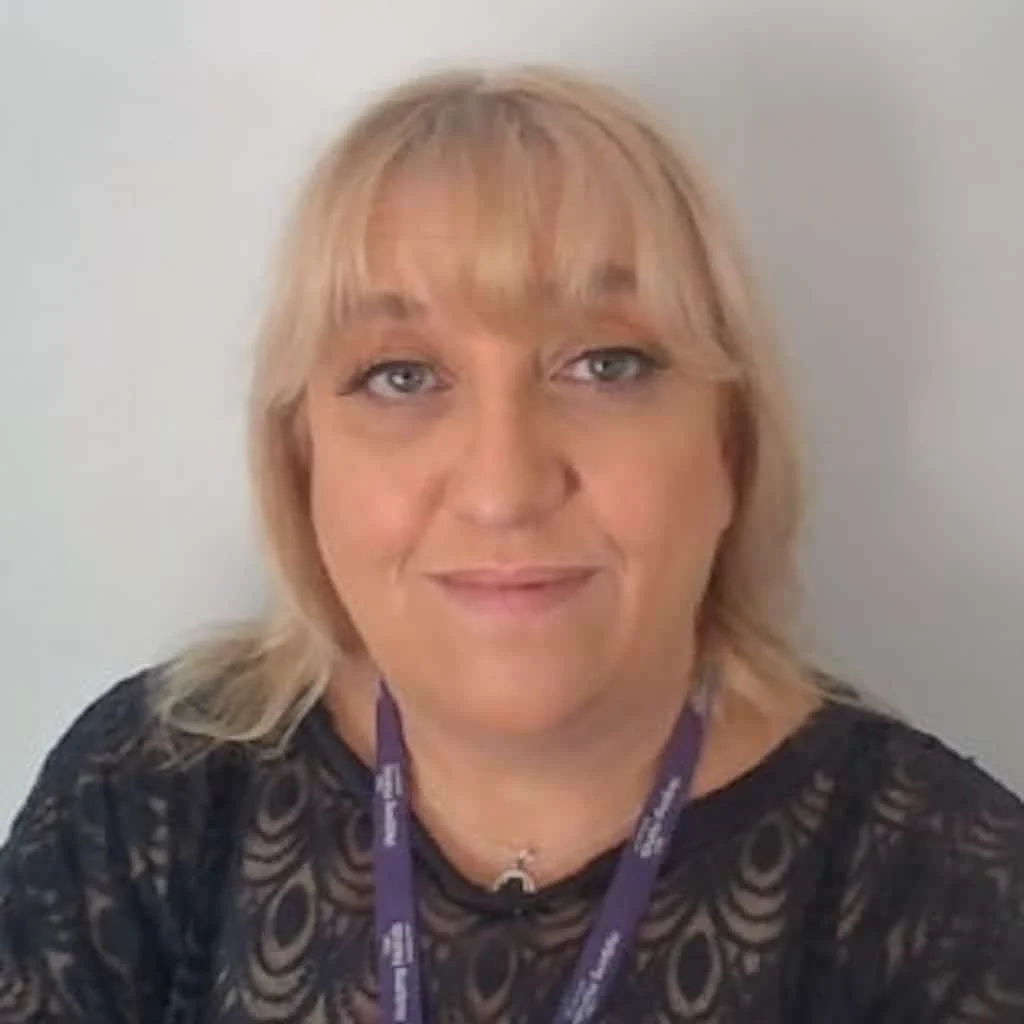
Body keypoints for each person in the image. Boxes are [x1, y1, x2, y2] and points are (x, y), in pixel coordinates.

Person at [1, 65, 1022, 1024]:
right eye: (400, 375)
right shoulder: (147, 794)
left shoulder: (951, 889)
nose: (502, 487)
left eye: (607, 362)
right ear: (300, 462)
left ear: (731, 447)